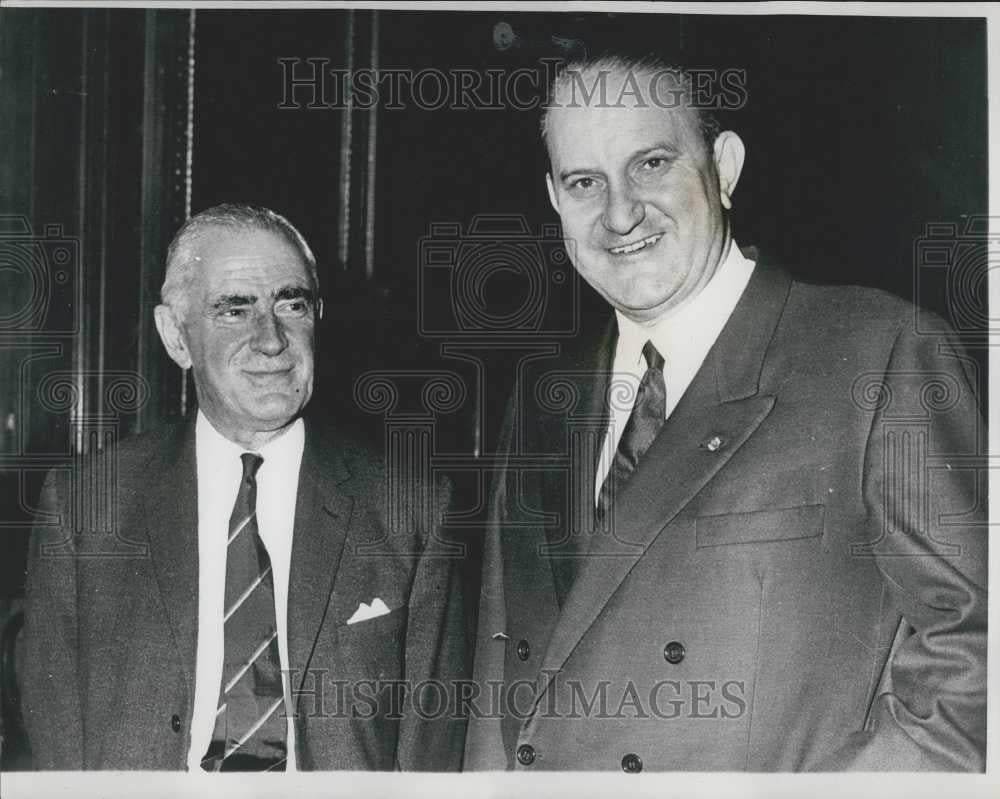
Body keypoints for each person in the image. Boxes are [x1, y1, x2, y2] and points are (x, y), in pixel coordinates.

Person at [464, 54, 986, 772]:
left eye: (650, 163)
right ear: (555, 200)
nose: (620, 212)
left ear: (725, 167)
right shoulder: (542, 399)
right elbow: (499, 680)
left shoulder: (877, 353)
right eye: (585, 181)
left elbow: (976, 658)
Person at [22, 204, 467, 771]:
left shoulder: (412, 510)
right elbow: (56, 738)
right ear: (176, 336)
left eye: (291, 303)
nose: (272, 339)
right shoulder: (87, 507)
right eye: (235, 310)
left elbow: (431, 751)